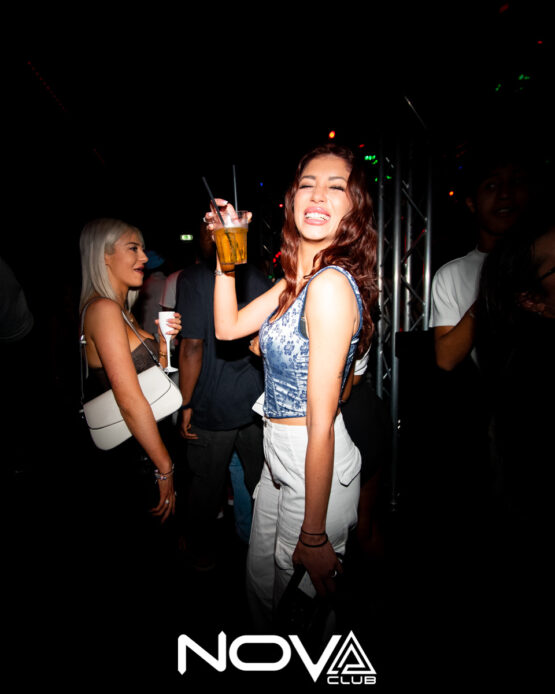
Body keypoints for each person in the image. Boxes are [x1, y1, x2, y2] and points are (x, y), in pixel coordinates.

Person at [207, 143, 378, 630]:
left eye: (336, 187)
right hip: (279, 457)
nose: (318, 195)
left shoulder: (330, 285)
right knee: (263, 595)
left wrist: (315, 534)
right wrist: (226, 254)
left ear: (354, 208)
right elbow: (227, 328)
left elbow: (322, 423)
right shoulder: (296, 282)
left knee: (300, 620)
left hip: (313, 461)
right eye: (308, 184)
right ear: (291, 199)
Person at [78, 218, 181, 552]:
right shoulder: (104, 309)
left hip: (145, 445)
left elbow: (153, 376)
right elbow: (129, 399)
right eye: (133, 248)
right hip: (135, 455)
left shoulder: (121, 311)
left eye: (143, 249)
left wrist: (163, 343)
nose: (144, 258)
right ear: (104, 257)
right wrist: (164, 468)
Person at [176, 223, 270, 571]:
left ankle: (200, 552)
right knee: (260, 481)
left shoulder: (193, 278)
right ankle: (261, 547)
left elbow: (192, 346)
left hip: (211, 404)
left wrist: (186, 403)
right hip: (254, 403)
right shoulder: (258, 278)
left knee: (206, 483)